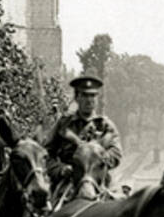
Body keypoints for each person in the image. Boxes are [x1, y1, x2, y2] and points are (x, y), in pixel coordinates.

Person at [45, 75, 122, 204]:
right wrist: (60, 169)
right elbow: (46, 155)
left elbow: (116, 152)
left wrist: (99, 161)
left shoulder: (105, 125)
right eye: (85, 95)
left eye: (93, 96)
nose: (89, 100)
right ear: (77, 98)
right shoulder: (64, 124)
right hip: (69, 182)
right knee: (52, 215)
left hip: (100, 182)